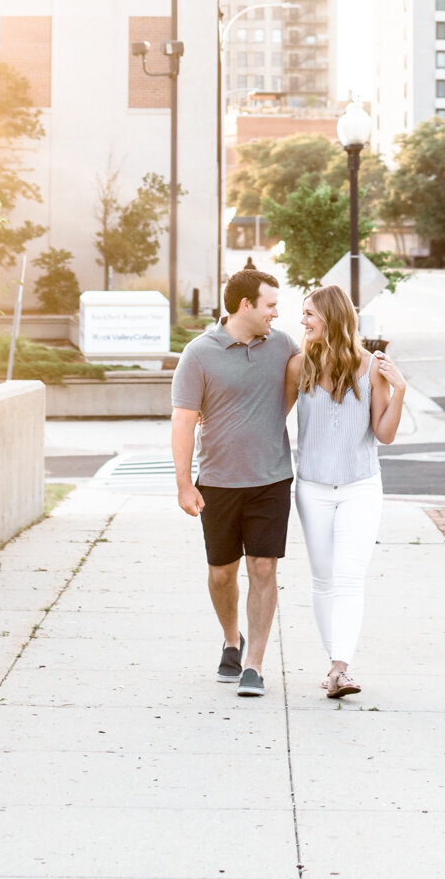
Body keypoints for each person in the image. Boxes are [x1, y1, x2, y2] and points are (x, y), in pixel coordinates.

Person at [171, 267, 298, 699]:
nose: (276, 313)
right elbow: (183, 423)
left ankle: (254, 665)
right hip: (219, 483)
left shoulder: (282, 345)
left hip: (271, 479)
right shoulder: (199, 353)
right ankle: (231, 639)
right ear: (246, 305)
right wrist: (185, 484)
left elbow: (302, 379)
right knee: (222, 573)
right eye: (270, 305)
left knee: (263, 567)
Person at [285, 284, 407, 699]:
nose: (302, 322)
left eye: (309, 315)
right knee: (322, 579)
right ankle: (332, 664)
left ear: (332, 318)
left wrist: (400, 391)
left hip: (360, 487)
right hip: (313, 488)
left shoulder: (373, 367)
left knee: (349, 577)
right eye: (302, 314)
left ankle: (341, 667)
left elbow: (384, 435)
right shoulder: (298, 366)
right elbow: (270, 419)